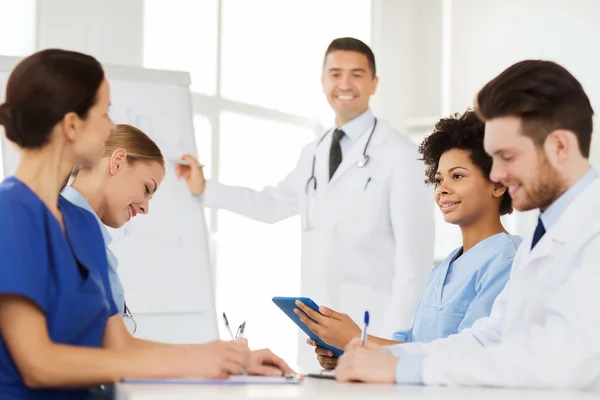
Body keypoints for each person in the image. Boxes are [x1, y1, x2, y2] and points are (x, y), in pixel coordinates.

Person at [0, 49, 291, 400]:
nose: (111, 125)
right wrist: (191, 363)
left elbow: (119, 347)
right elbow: (38, 364)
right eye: (104, 112)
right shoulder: (11, 209)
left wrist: (226, 358)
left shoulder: (83, 225)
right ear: (72, 124)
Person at [334, 60, 600, 391]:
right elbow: (487, 337)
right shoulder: (542, 239)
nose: (498, 173)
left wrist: (405, 370)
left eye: (507, 156)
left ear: (560, 146)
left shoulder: (590, 233)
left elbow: (561, 363)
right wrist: (388, 360)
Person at [176, 37, 434, 369]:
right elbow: (269, 205)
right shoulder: (312, 153)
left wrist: (394, 344)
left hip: (374, 329)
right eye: (335, 73)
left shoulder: (400, 155)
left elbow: (414, 263)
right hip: (317, 331)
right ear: (323, 81)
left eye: (356, 74)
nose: (344, 84)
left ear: (374, 83)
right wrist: (205, 189)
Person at [297, 109, 522, 369]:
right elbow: (410, 342)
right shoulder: (442, 270)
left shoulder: (509, 261)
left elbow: (470, 356)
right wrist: (350, 351)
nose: (442, 189)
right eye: (439, 180)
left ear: (497, 184)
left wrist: (356, 340)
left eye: (457, 176)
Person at [61, 123, 164, 320]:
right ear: (117, 162)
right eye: (146, 189)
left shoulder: (91, 241)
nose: (145, 209)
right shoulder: (59, 228)